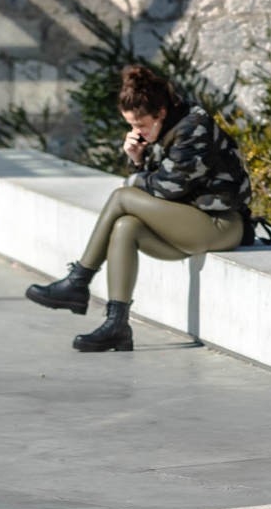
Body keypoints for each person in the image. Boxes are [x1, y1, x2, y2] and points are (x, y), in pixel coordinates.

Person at [25, 66, 252, 352]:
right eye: (132, 125)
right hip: (186, 223)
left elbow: (168, 188)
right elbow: (161, 187)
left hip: (220, 225)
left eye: (142, 125)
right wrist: (136, 158)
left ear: (162, 112)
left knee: (123, 197)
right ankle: (117, 325)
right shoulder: (166, 128)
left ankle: (78, 281)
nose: (137, 131)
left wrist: (133, 177)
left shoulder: (194, 127)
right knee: (126, 227)